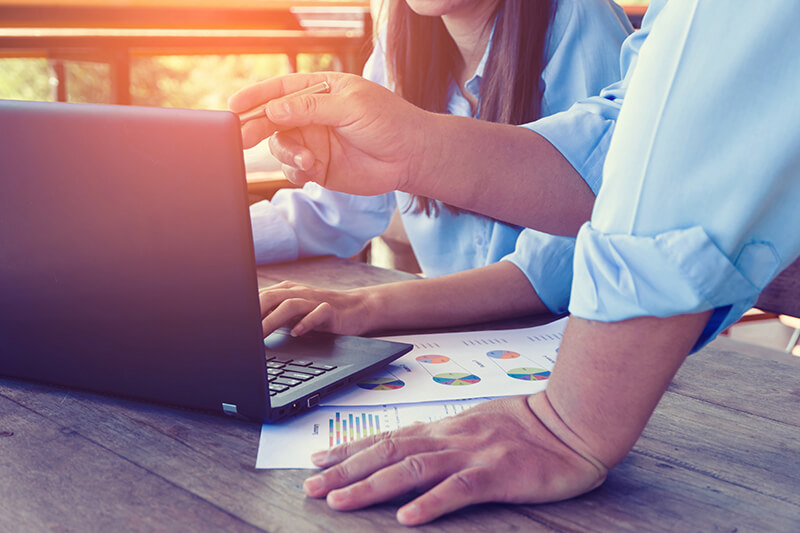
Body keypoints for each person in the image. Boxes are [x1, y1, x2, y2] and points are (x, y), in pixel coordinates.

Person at [231, 0, 800, 526]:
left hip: (569, 360)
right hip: (487, 362)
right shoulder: (402, 40)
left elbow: (629, 197)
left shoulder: (576, 21)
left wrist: (568, 423)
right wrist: (191, 229)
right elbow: (617, 151)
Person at [244, 0, 631, 336]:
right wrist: (204, 242)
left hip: (571, 350)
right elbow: (336, 211)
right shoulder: (399, 40)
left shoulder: (578, 17)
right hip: (453, 344)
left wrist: (369, 306)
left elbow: (564, 261)